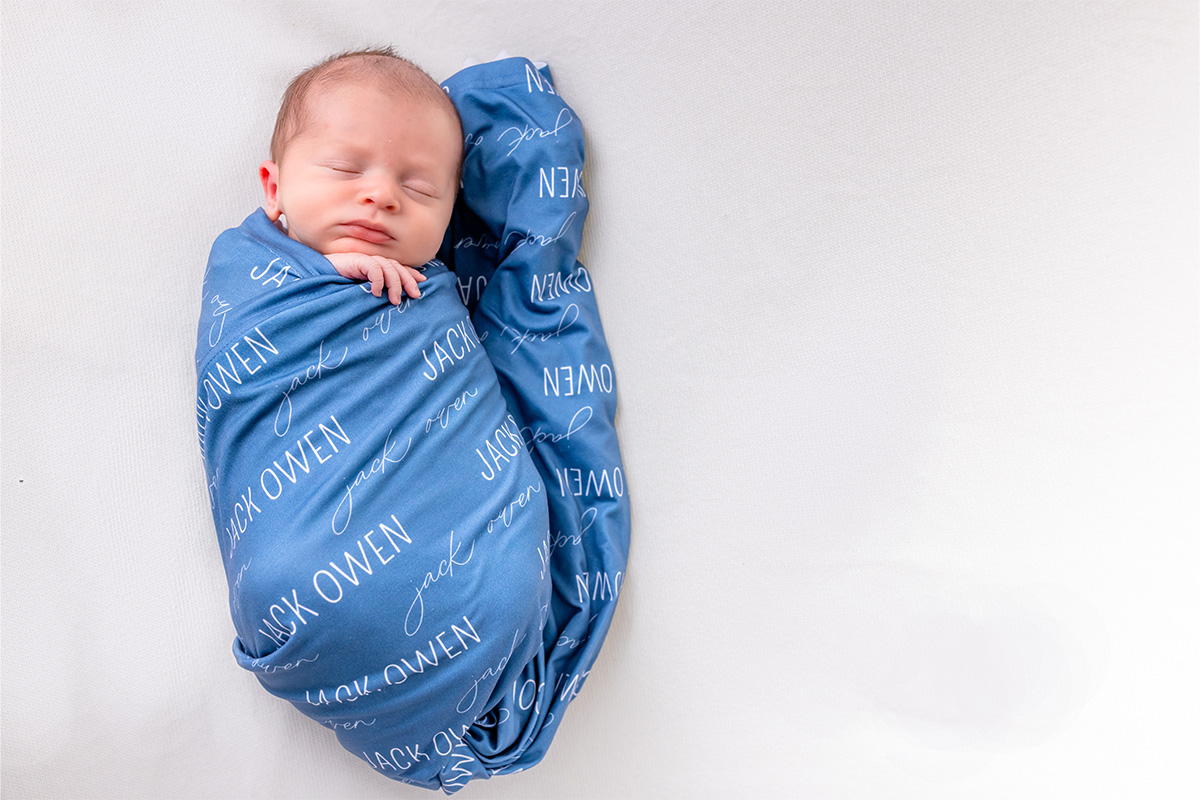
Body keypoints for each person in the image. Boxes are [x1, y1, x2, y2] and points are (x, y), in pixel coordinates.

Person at [258, 47, 461, 304]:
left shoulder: (445, 285)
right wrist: (329, 268)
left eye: (419, 188)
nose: (382, 195)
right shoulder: (248, 252)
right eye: (345, 169)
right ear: (275, 189)